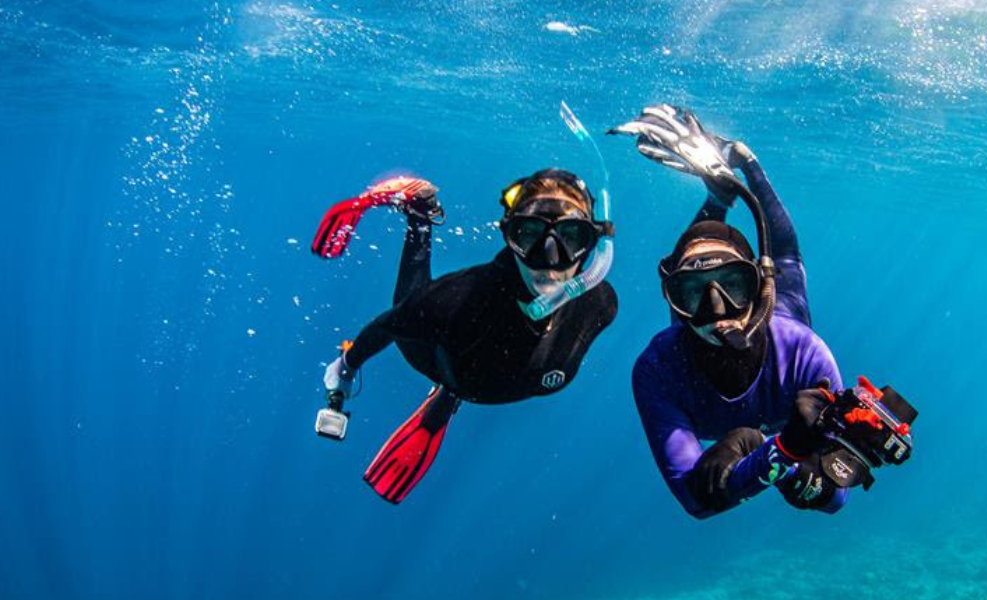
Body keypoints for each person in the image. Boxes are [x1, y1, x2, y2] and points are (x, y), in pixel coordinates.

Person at [613, 105, 916, 519]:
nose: (717, 309)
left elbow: (834, 495)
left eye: (733, 285)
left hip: (784, 316)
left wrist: (768, 452)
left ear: (758, 288)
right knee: (770, 254)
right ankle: (718, 197)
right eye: (693, 291)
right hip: (744, 388)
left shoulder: (804, 352)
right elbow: (696, 501)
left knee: (787, 259)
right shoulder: (658, 368)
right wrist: (779, 449)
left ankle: (748, 161)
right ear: (675, 301)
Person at [311, 169, 618, 503]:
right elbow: (388, 324)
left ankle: (450, 396)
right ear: (509, 237)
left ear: (592, 249)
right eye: (528, 235)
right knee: (409, 305)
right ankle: (419, 214)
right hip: (433, 355)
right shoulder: (455, 301)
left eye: (571, 237)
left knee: (462, 367)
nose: (550, 258)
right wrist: (346, 367)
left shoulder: (600, 305)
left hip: (472, 374)